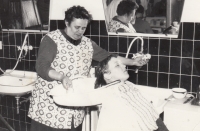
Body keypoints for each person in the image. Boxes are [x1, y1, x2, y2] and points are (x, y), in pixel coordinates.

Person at [28, 5, 149, 131]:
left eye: (83, 28)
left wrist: (133, 62)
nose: (80, 31)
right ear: (67, 22)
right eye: (77, 27)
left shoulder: (87, 43)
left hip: (75, 106)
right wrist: (61, 77)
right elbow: (41, 67)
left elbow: (107, 56)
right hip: (50, 107)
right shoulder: (52, 39)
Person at [94, 55, 169, 131]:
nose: (123, 65)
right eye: (117, 65)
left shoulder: (128, 86)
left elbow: (151, 111)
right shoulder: (112, 97)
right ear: (107, 75)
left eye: (121, 63)